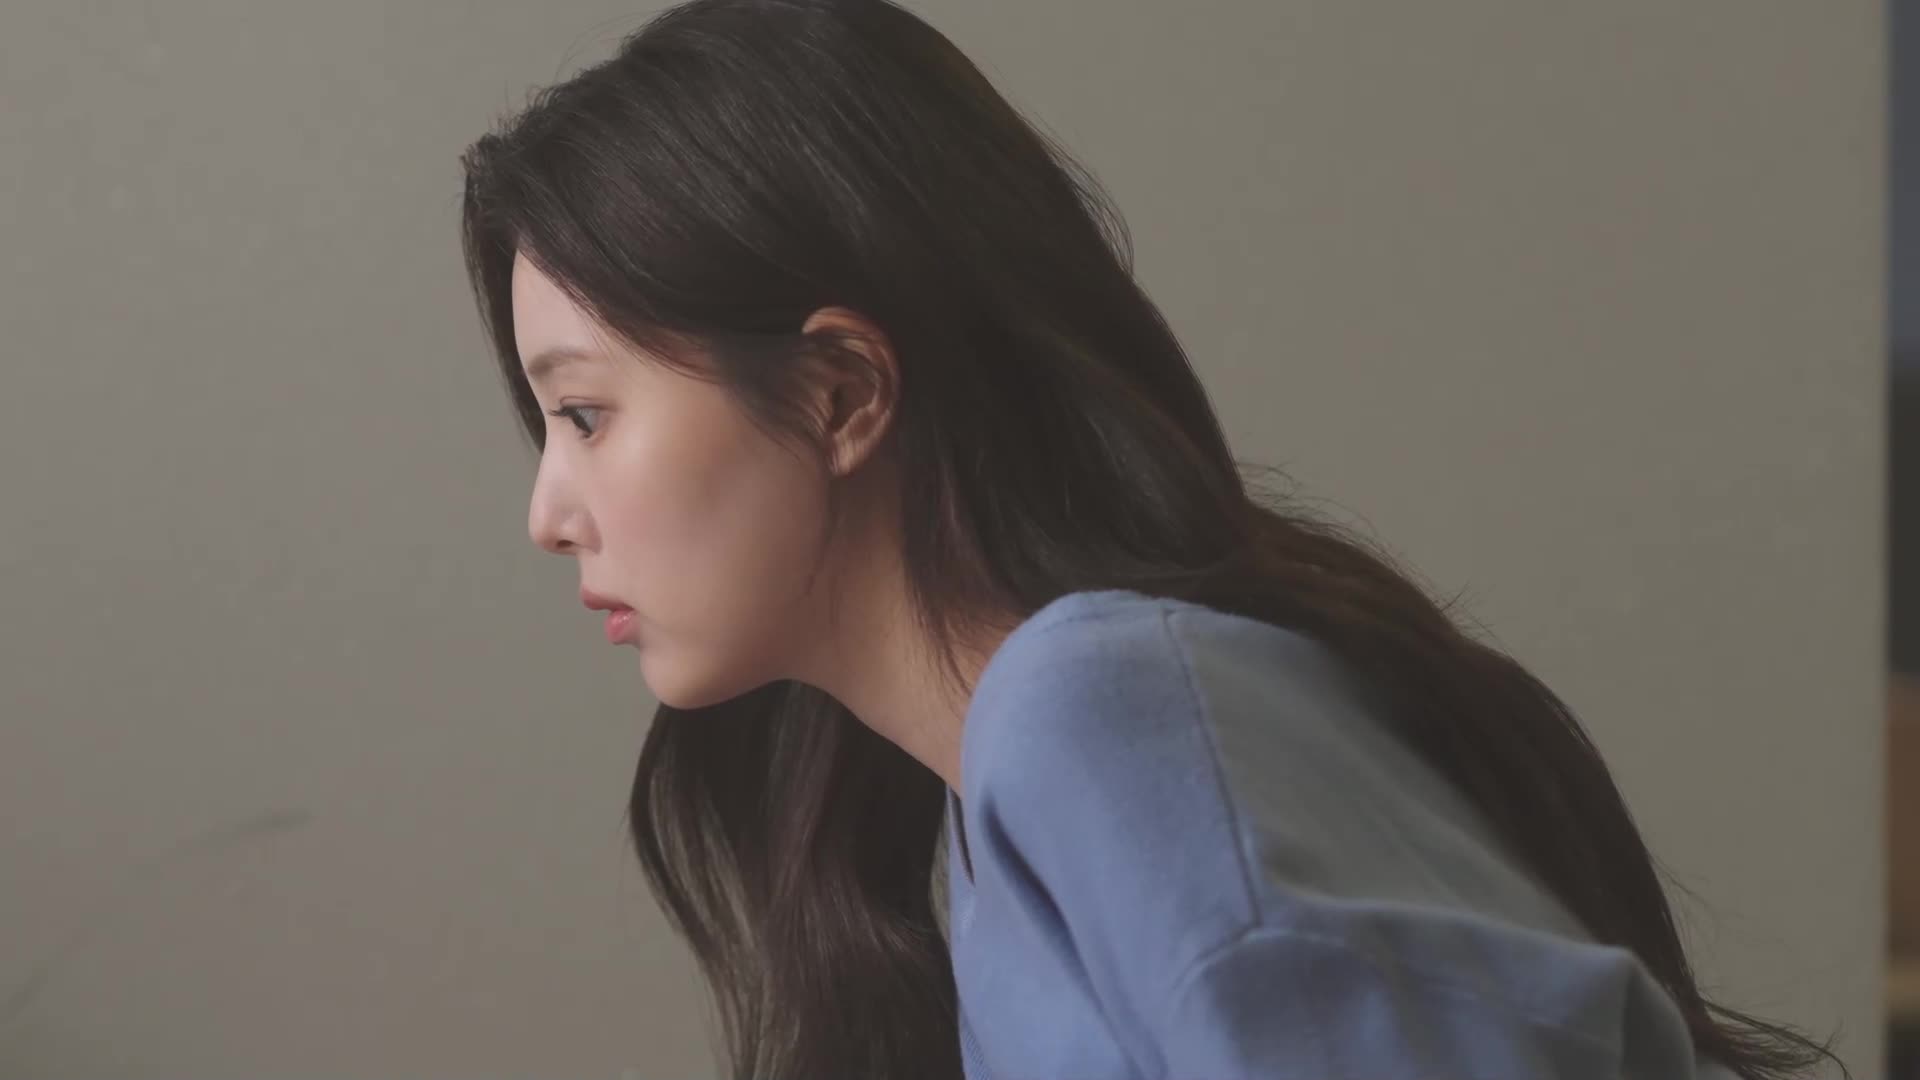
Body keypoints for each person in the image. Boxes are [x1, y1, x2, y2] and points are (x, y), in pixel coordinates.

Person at [457, 1, 1842, 1076]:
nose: (547, 515)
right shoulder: (998, 807)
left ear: (840, 395)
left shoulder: (1096, 718)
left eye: (584, 414)